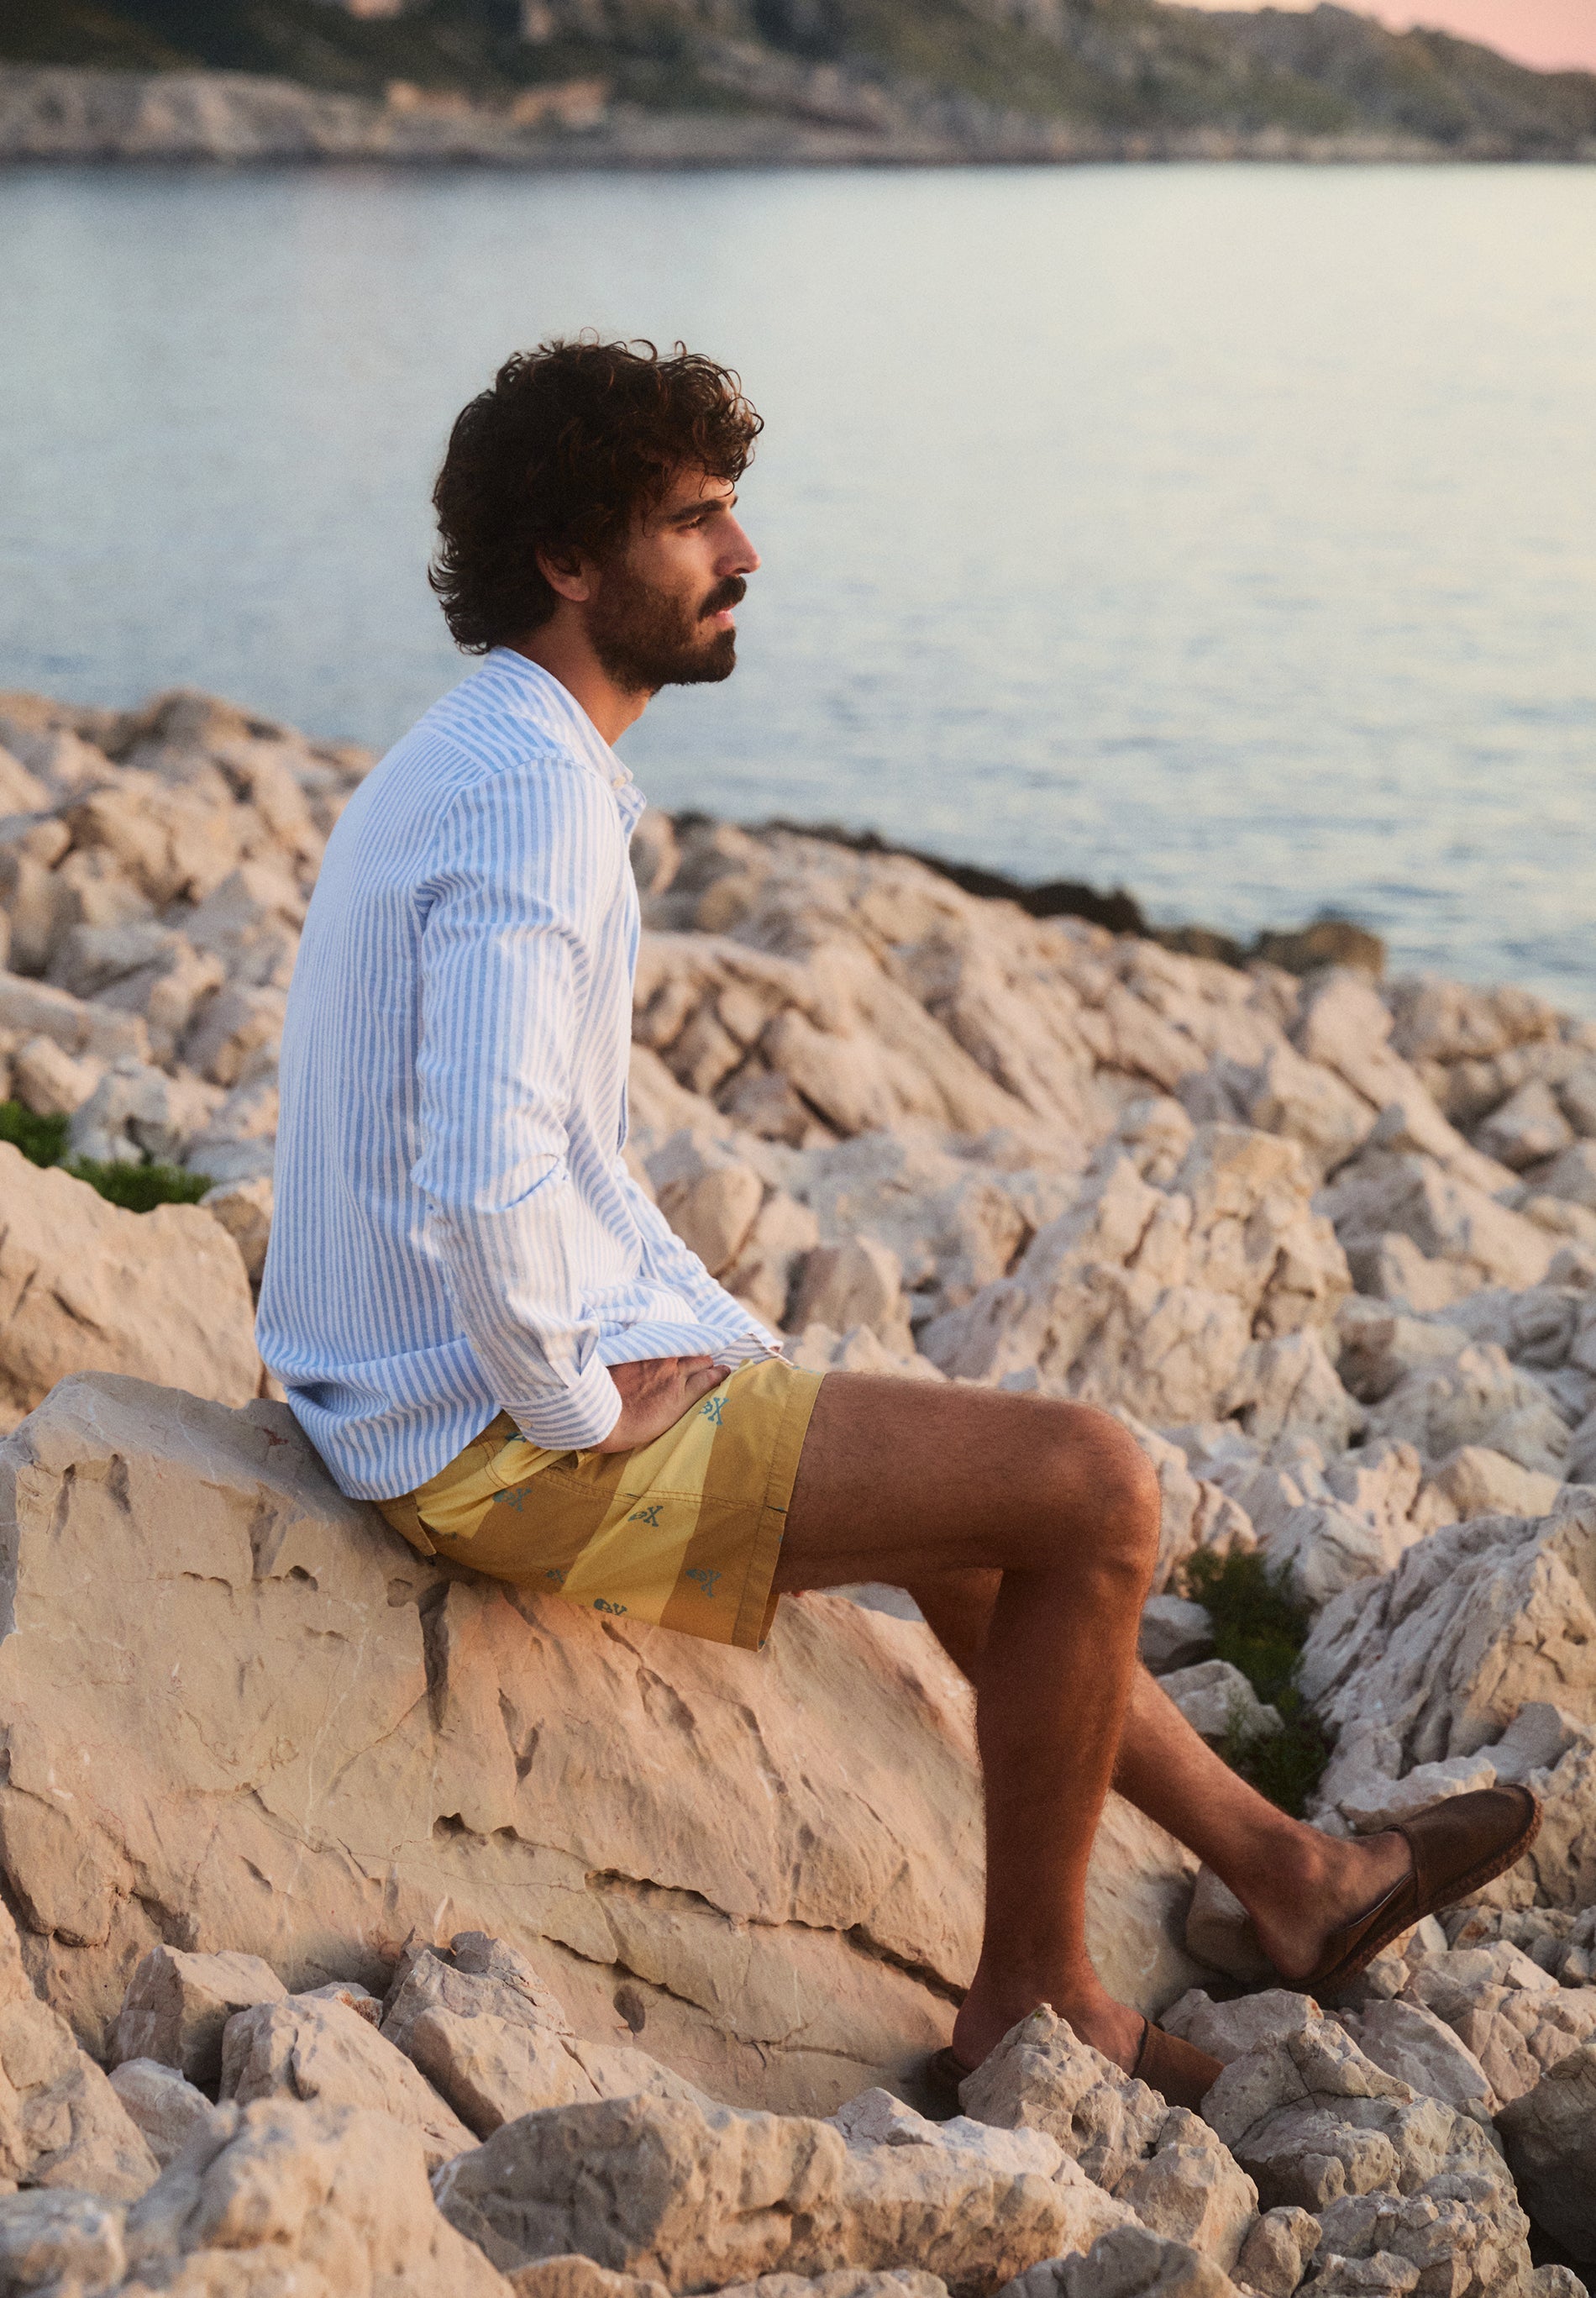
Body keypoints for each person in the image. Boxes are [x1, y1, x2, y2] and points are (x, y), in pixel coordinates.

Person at [257, 338, 1540, 2115]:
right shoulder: (531, 800)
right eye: (696, 518)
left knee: (969, 1510)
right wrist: (569, 1401)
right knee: (1094, 1487)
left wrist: (709, 1347)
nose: (746, 554)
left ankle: (1292, 1876)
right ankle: (1035, 2003)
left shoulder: (483, 753)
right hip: (472, 1440)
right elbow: (479, 1176)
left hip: (399, 1386)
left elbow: (539, 1153)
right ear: (567, 561)